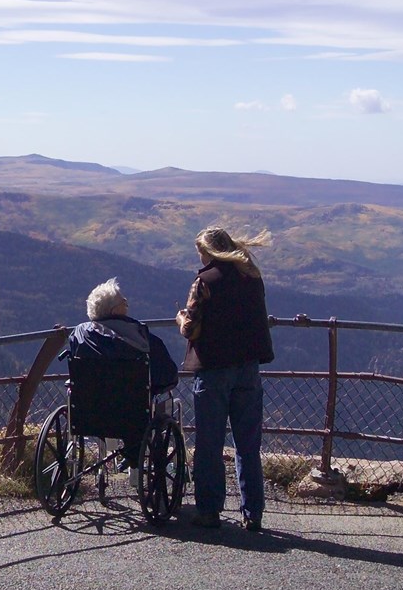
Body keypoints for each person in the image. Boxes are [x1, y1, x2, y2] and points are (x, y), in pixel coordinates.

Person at [177, 226, 274, 530]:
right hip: (248, 367)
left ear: (207, 251)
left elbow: (190, 329)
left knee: (210, 443)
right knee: (248, 444)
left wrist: (180, 317)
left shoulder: (204, 282)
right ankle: (253, 513)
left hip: (214, 369)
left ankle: (209, 511)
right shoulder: (251, 276)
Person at [65, 277, 179, 470]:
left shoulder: (79, 336)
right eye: (123, 301)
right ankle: (135, 455)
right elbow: (168, 375)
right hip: (132, 416)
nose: (127, 302)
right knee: (151, 403)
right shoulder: (142, 338)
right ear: (115, 310)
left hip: (88, 412)